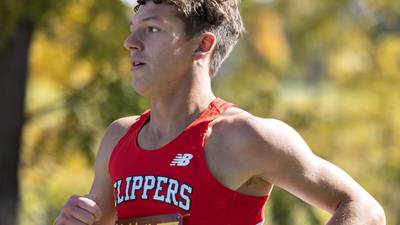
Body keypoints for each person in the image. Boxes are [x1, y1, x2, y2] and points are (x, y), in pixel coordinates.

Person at [55, 0, 386, 224]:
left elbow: (364, 209)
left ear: (203, 45)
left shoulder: (241, 136)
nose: (130, 42)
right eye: (133, 27)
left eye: (152, 29)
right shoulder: (119, 137)